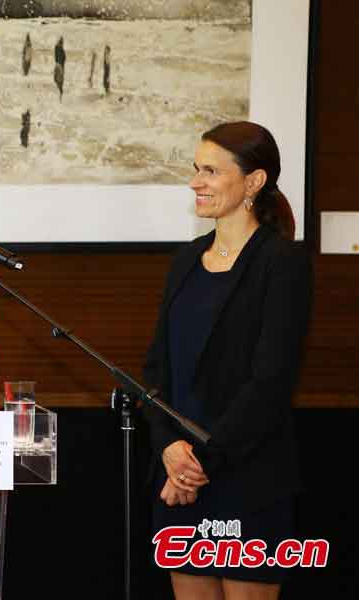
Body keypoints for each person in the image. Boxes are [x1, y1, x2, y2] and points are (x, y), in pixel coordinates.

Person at [143, 121, 313, 599]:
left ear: (253, 182)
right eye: (197, 169)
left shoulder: (282, 263)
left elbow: (270, 382)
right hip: (179, 479)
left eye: (212, 171)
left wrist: (199, 463)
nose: (196, 181)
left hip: (246, 478)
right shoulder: (186, 260)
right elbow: (157, 373)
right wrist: (169, 451)